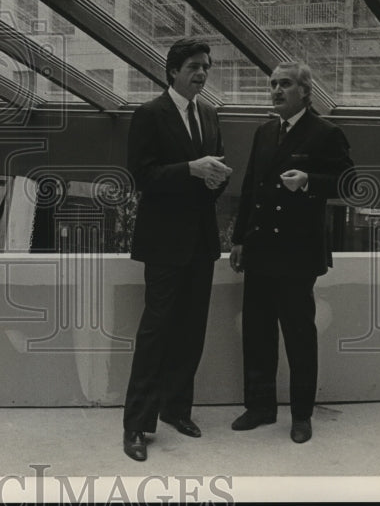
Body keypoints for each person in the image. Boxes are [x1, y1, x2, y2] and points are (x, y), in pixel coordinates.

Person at [229, 61, 354, 444]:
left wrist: (309, 182)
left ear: (304, 90)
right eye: (273, 84)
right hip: (261, 248)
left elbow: (350, 184)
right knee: (257, 331)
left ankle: (301, 415)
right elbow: (250, 186)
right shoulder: (265, 131)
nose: (276, 91)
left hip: (298, 254)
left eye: (285, 84)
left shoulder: (325, 132)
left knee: (299, 335)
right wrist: (238, 239)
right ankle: (260, 406)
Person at [121, 38, 232, 462]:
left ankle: (176, 410)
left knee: (190, 331)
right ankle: (136, 425)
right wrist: (191, 169)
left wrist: (214, 177)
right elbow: (142, 176)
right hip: (164, 242)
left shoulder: (208, 112)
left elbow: (216, 174)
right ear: (172, 71)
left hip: (200, 241)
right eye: (193, 66)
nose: (201, 73)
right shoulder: (149, 115)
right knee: (155, 334)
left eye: (205, 66)